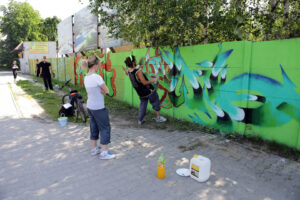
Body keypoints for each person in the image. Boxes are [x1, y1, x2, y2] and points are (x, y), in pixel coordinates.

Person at [83, 55, 115, 160]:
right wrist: (103, 91)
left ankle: (94, 148)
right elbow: (107, 90)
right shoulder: (97, 77)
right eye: (99, 64)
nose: (100, 66)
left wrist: (101, 90)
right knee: (105, 127)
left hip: (90, 107)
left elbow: (98, 90)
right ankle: (104, 152)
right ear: (96, 65)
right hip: (98, 107)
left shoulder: (86, 77)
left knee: (93, 126)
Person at [124, 55, 166, 125]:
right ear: (133, 62)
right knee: (155, 101)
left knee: (143, 105)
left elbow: (132, 70)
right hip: (149, 91)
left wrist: (137, 67)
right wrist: (154, 80)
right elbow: (144, 82)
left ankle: (140, 121)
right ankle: (158, 118)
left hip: (141, 93)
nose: (136, 61)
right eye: (135, 60)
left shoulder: (129, 71)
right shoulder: (138, 72)